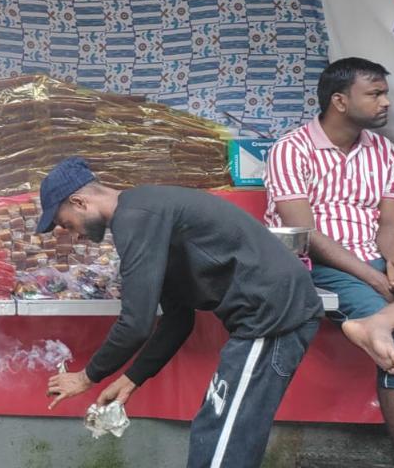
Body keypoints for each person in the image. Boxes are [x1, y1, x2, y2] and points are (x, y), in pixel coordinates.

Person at [42, 157, 323, 468]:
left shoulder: (136, 217)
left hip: (271, 316)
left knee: (223, 443)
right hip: (264, 317)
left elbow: (136, 324)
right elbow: (179, 318)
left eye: (66, 223)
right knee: (216, 427)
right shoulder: (143, 212)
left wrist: (86, 377)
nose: (72, 234)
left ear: (79, 201)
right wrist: (133, 377)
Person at [264, 56, 394, 466]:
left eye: (384, 92)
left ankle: (381, 320)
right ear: (339, 101)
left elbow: (389, 222)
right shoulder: (290, 150)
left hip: (374, 258)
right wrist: (372, 276)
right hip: (323, 265)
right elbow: (306, 237)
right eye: (375, 94)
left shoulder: (382, 150)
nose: (386, 102)